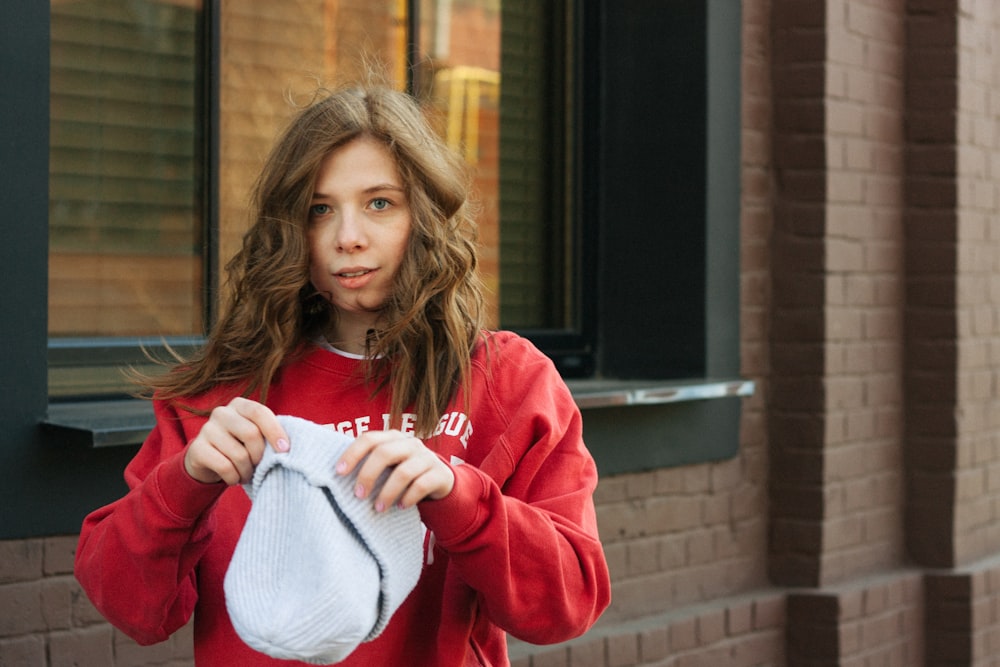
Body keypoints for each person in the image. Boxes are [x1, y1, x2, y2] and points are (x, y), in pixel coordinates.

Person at [74, 80, 611, 666]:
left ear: (425, 215)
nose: (347, 238)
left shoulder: (507, 381)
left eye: (380, 203)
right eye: (319, 210)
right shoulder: (223, 393)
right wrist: (186, 482)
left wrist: (457, 497)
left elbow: (569, 604)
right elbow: (132, 609)